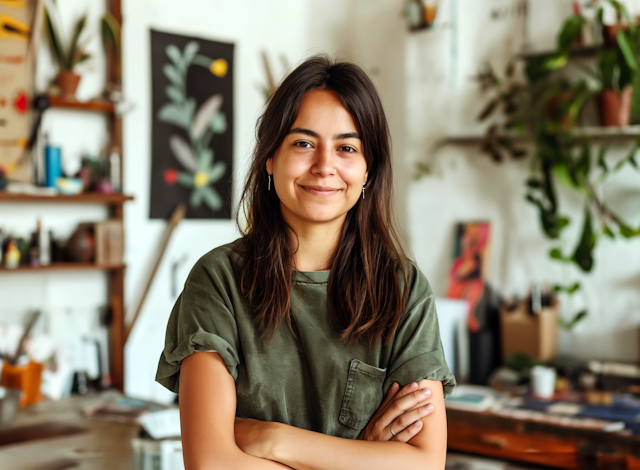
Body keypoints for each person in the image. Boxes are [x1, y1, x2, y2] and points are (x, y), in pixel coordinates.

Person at [156, 55, 456, 469]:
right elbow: (211, 464)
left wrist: (273, 440)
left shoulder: (402, 288)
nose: (324, 166)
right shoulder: (218, 281)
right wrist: (363, 454)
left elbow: (424, 464)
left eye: (347, 148)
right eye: (303, 143)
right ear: (270, 157)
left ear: (369, 170)